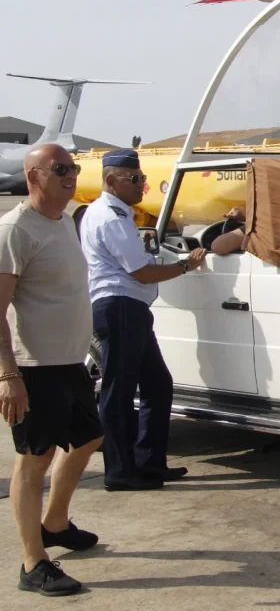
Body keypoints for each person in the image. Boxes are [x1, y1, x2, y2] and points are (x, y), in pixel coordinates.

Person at [1, 144, 102, 597]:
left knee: (88, 438)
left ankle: (56, 523)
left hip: (69, 362)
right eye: (60, 168)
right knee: (33, 459)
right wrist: (8, 376)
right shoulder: (14, 230)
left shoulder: (62, 222)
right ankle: (33, 562)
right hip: (33, 367)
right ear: (33, 177)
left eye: (73, 168)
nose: (71, 175)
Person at [78, 149, 206, 492]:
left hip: (130, 308)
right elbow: (143, 272)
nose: (141, 185)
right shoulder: (110, 217)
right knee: (118, 391)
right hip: (120, 307)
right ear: (110, 181)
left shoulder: (116, 213)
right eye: (134, 179)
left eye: (142, 178)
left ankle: (149, 463)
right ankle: (120, 471)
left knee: (157, 384)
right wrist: (185, 265)